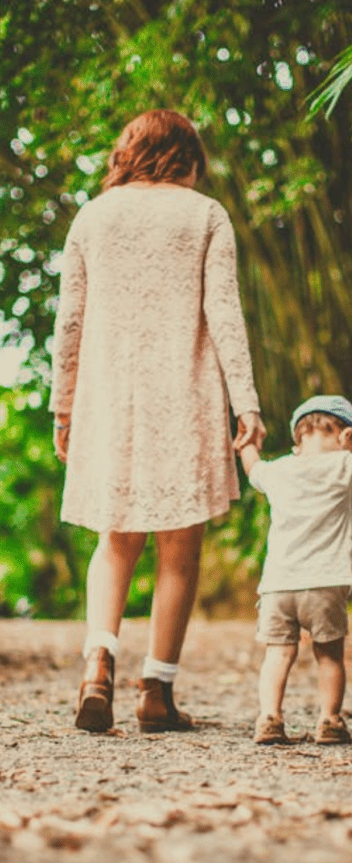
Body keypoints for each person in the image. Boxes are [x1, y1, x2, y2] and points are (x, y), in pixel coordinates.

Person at [50, 109, 265, 733]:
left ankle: (97, 667)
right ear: (187, 156)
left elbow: (70, 322)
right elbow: (224, 313)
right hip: (185, 393)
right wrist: (245, 402)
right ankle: (156, 692)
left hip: (109, 396)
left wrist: (64, 404)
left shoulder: (93, 215)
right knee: (181, 548)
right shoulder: (203, 215)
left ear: (128, 153)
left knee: (114, 539)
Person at [239, 395, 352, 745]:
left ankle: (270, 717)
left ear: (298, 441)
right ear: (346, 439)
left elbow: (252, 465)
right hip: (326, 582)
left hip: (278, 586)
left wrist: (248, 440)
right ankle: (329, 720)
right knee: (329, 655)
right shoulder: (342, 467)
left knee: (278, 654)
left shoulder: (279, 470)